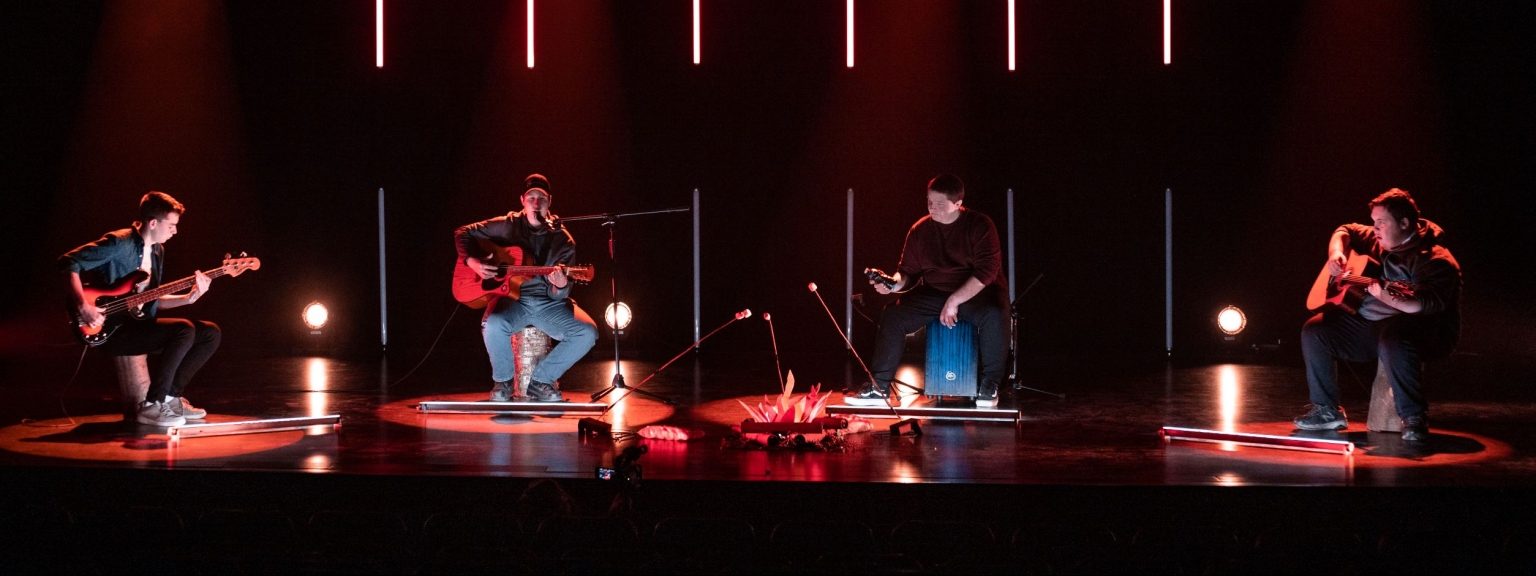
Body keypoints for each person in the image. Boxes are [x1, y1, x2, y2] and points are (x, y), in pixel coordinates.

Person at [1293, 188, 1461, 442]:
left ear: (1404, 223)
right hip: (1373, 326)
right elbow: (1344, 230)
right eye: (1374, 222)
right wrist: (1336, 253)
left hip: (1423, 332)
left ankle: (1414, 417)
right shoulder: (1377, 238)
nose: (1375, 229)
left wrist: (1388, 297)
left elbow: (1422, 305)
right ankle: (1327, 411)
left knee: (1393, 339)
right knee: (1315, 331)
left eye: (1382, 222)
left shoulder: (1435, 260)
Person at [59, 191, 222, 427]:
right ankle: (152, 405)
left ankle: (170, 397)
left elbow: (151, 300)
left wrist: (188, 298)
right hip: (112, 330)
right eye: (171, 225)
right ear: (153, 223)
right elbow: (68, 262)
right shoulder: (120, 242)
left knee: (210, 333)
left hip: (139, 325)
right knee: (184, 329)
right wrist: (83, 306)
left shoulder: (157, 250)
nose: (175, 231)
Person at [846, 174, 1010, 407]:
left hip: (977, 293)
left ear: (958, 203)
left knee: (994, 314)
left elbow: (986, 273)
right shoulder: (920, 230)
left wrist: (954, 300)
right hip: (935, 292)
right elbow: (907, 273)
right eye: (929, 201)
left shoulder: (979, 225)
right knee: (893, 315)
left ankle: (990, 385)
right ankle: (879, 388)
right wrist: (891, 284)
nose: (932, 208)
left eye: (940, 204)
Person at [455, 174, 597, 402]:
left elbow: (560, 294)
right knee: (492, 324)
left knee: (587, 333)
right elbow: (463, 232)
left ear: (549, 202)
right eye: (531, 197)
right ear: (522, 200)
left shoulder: (563, 240)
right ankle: (503, 382)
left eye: (542, 198)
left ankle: (541, 382)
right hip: (513, 299)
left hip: (547, 303)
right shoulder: (507, 225)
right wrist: (471, 261)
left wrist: (560, 286)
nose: (536, 203)